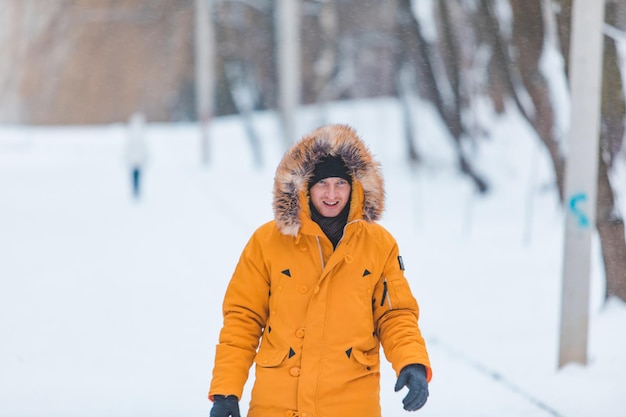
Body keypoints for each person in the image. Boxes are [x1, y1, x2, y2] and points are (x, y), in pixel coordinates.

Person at [208, 124, 432, 417]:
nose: (331, 194)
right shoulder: (268, 241)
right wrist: (227, 390)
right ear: (304, 187)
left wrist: (412, 362)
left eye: (341, 183)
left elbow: (395, 314)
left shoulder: (378, 244)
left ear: (355, 186)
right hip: (279, 404)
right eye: (322, 184)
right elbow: (243, 320)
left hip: (351, 403)